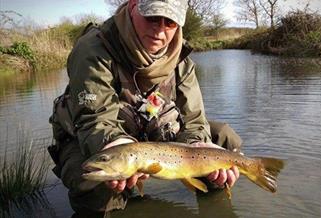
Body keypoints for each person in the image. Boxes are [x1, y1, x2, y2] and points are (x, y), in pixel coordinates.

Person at [49, 0, 243, 215]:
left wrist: (197, 144)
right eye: (152, 18)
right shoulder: (93, 48)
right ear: (133, 6)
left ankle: (214, 202)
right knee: (93, 180)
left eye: (170, 22)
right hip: (94, 138)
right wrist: (115, 144)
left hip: (153, 135)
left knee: (223, 138)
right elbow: (94, 118)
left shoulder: (182, 60)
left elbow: (195, 121)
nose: (160, 30)